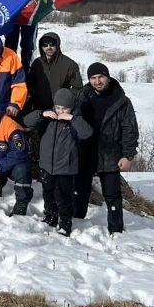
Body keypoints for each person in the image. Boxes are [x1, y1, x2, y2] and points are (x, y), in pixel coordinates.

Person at [73, 62, 139, 234]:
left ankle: (116, 230)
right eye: (93, 78)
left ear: (107, 77)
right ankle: (77, 224)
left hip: (110, 154)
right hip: (84, 152)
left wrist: (128, 155)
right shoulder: (82, 96)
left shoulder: (121, 101)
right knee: (80, 191)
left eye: (101, 77)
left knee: (112, 194)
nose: (97, 81)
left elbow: (130, 130)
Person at [35, 88, 94, 235]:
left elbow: (87, 133)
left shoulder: (75, 121)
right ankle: (50, 217)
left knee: (63, 197)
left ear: (71, 108)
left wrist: (72, 118)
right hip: (46, 166)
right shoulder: (49, 119)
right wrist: (42, 114)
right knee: (48, 194)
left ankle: (65, 223)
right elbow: (28, 122)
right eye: (58, 107)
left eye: (64, 108)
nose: (60, 111)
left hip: (65, 168)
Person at [25, 31, 83, 166]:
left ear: (57, 45)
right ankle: (41, 166)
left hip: (61, 112)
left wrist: (64, 104)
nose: (48, 47)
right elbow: (30, 85)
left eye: (52, 44)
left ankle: (60, 167)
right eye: (45, 45)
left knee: (60, 142)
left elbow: (78, 89)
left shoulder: (69, 64)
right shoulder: (37, 64)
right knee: (42, 141)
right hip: (41, 110)